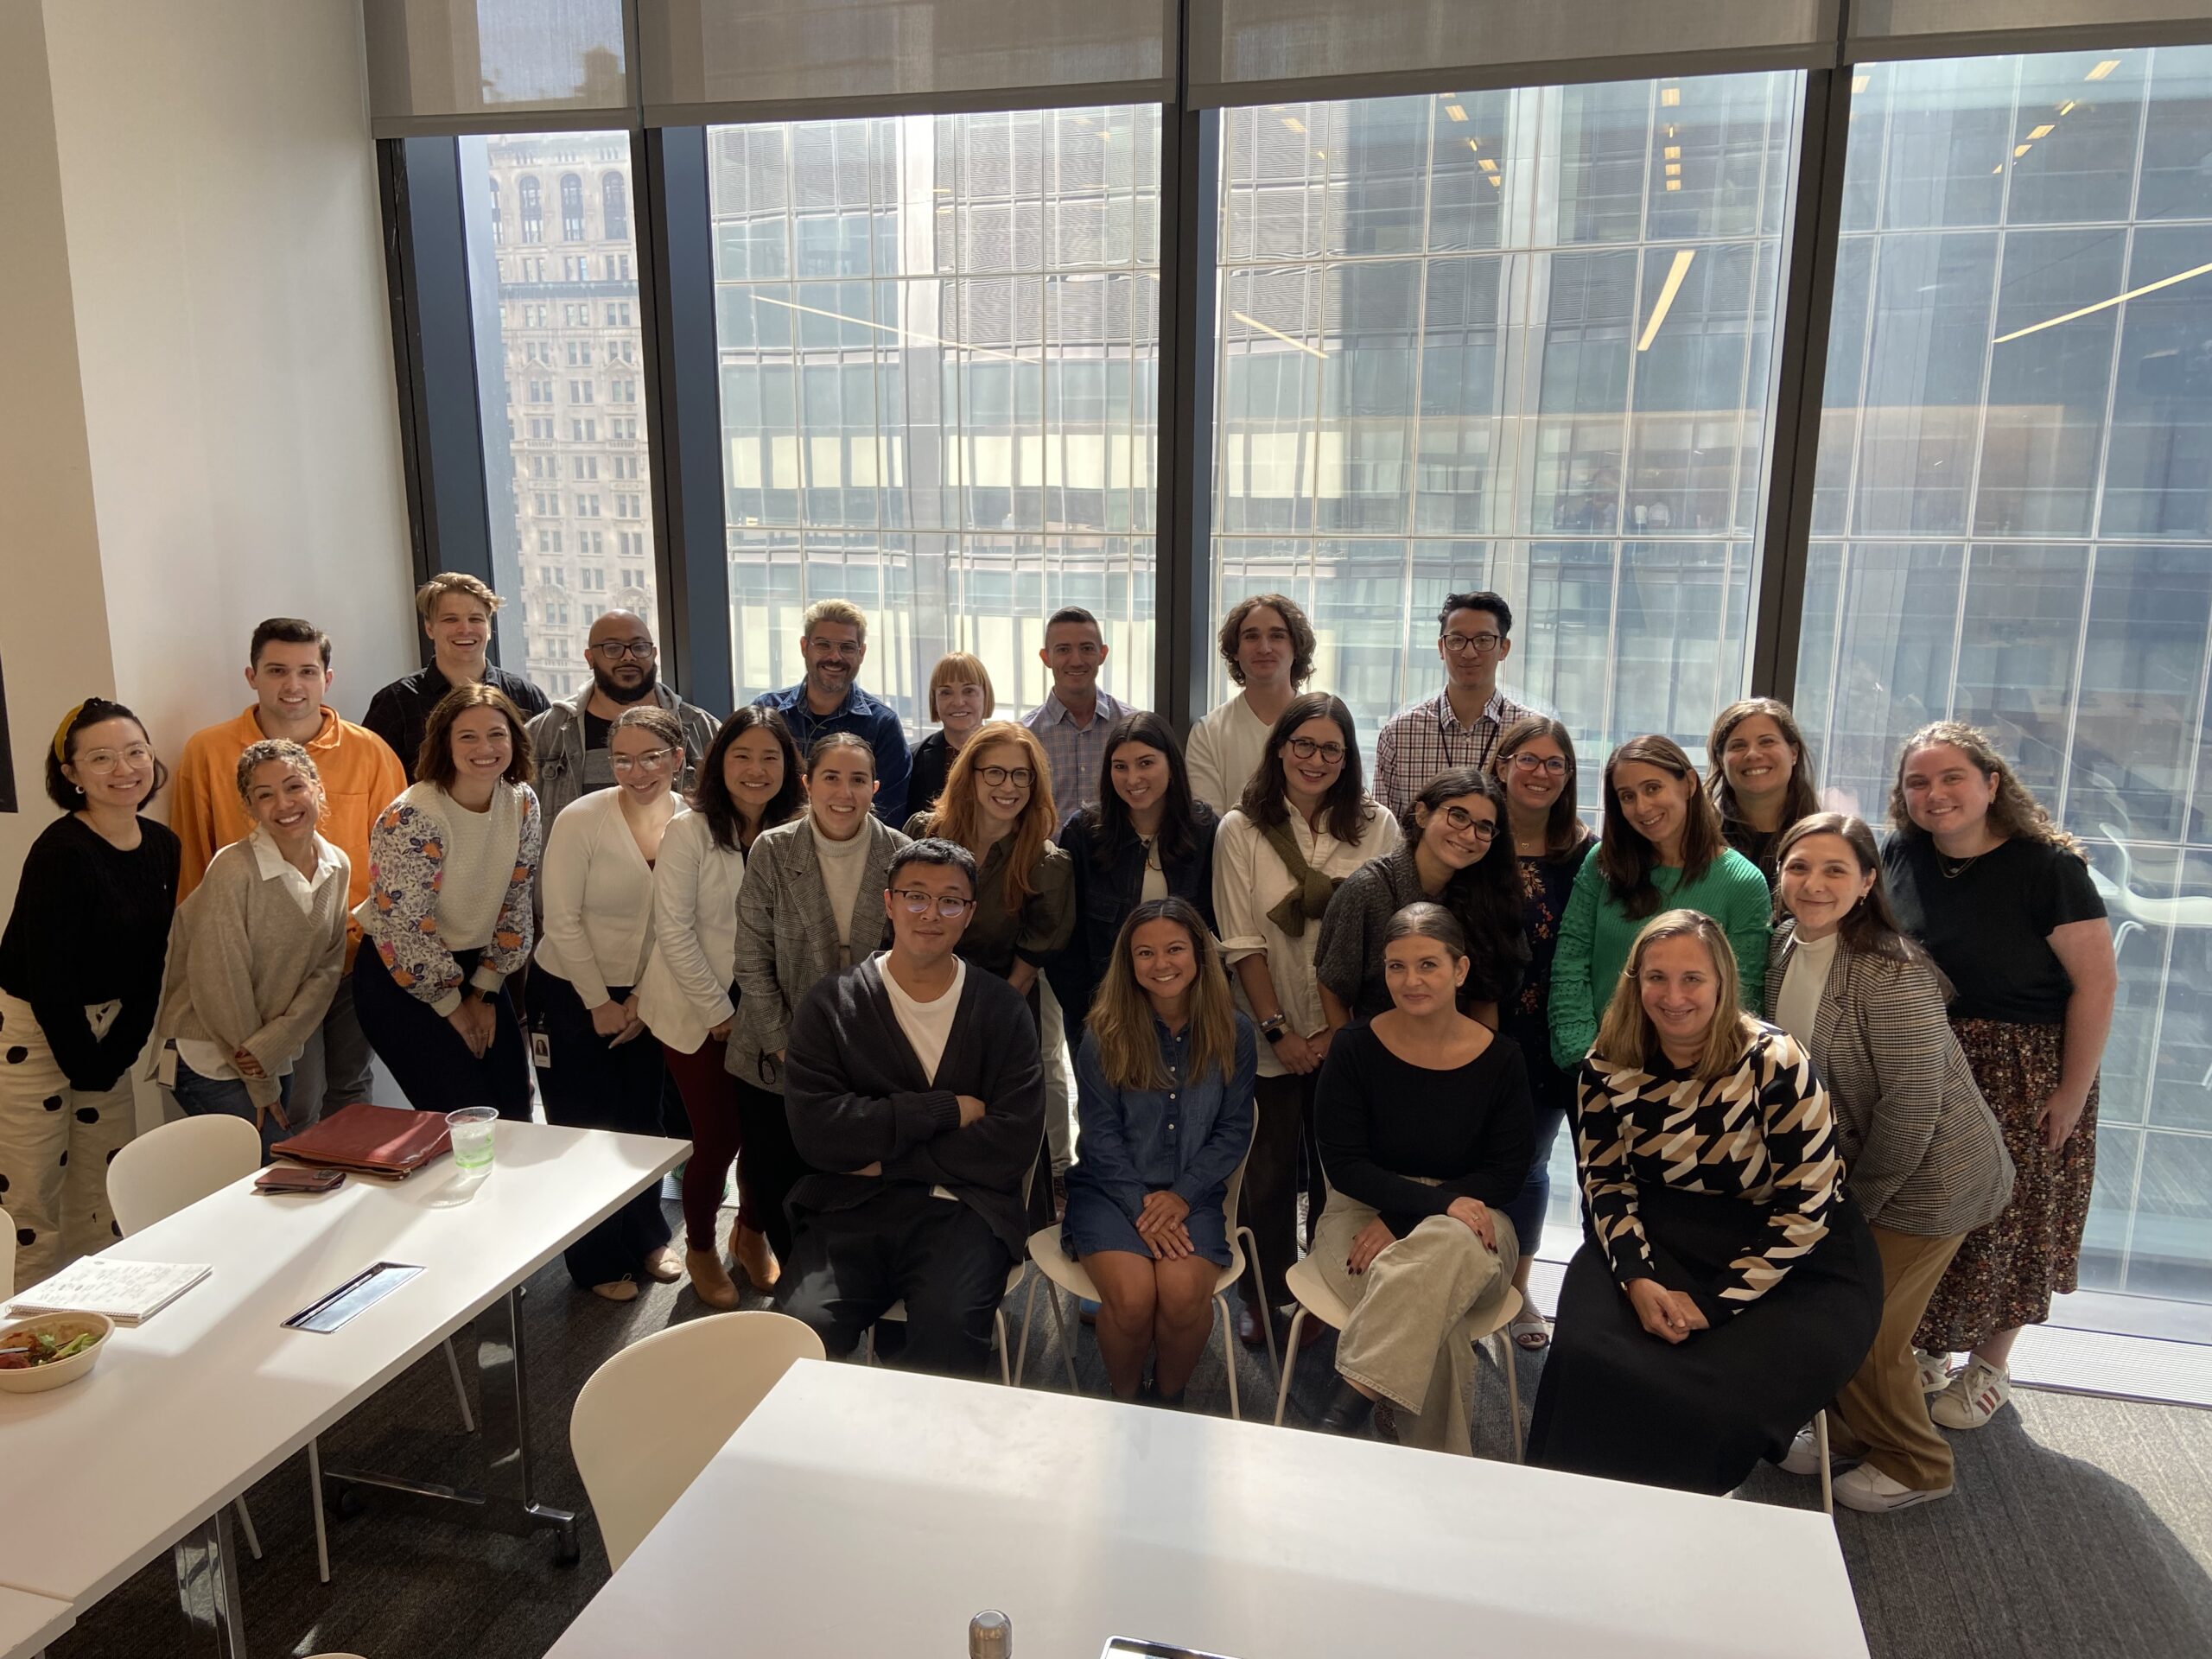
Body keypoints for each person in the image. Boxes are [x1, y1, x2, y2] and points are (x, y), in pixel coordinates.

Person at [1526, 911, 1882, 1496]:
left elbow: (1808, 1208)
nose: (1672, 996)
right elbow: (1606, 1185)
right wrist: (1638, 1280)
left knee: (1713, 1398)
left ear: (1722, 983)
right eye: (1656, 978)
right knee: (1587, 1365)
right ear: (1634, 982)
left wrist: (1713, 1306)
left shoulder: (1779, 1063)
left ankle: (1684, 1531)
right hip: (1655, 1234)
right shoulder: (1604, 1065)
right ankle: (1576, 1522)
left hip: (1793, 1258)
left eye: (1692, 979)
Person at [1767, 813, 2013, 1512]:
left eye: (1836, 870)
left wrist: (1854, 1208)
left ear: (1868, 882)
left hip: (1932, 1181)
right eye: (1799, 867)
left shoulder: (1893, 972)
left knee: (1866, 1329)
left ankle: (1917, 1463)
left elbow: (1913, 1110)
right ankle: (1849, 1431)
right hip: (1854, 1168)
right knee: (1834, 1314)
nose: (1814, 884)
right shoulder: (1781, 947)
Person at [1884, 722, 2115, 1432]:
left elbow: (2097, 986)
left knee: (2012, 1222)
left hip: (2024, 1071)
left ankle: (1991, 1365)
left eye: (1952, 777)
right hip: (1931, 1060)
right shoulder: (1900, 854)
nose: (1935, 794)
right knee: (1930, 1213)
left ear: (1991, 783)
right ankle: (1928, 1348)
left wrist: (2071, 1093)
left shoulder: (2048, 868)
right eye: (1918, 782)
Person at [777, 840, 1046, 1377]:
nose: (931, 913)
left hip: (963, 1212)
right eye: (915, 896)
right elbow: (820, 1137)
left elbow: (1011, 1142)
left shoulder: (1001, 1010)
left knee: (948, 1335)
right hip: (851, 1209)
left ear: (969, 915)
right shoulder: (832, 1005)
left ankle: (927, 1460)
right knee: (795, 1335)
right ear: (889, 903)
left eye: (950, 901)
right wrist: (944, 1111)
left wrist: (887, 1155)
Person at [1214, 693, 1402, 1348]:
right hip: (1267, 1032)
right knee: (1264, 1175)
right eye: (1303, 745)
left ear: (1348, 758)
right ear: (1280, 749)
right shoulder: (1239, 829)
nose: (1316, 759)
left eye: (1331, 748)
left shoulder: (1378, 828)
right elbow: (1241, 941)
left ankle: (1324, 1294)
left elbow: (1385, 941)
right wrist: (1279, 1032)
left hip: (1349, 1035)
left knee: (1338, 1176)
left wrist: (1331, 1034)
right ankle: (1261, 1297)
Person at [1310, 904, 1532, 1453]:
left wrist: (1414, 1213)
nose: (1411, 981)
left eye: (1428, 965)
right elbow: (1344, 1165)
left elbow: (1505, 1176)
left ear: (1460, 970)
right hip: (1362, 1211)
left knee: (1439, 1255)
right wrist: (1418, 1207)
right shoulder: (1354, 1048)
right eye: (1396, 967)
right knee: (1438, 1318)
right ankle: (1438, 1480)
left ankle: (1346, 1407)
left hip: (1478, 1216)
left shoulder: (1502, 1059)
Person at [168, 618, 405, 1124]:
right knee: (297, 1097)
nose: (292, 686)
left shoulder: (371, 752)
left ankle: (349, 1189)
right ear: (252, 676)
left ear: (328, 678)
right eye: (277, 670)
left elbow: (394, 862)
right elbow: (192, 869)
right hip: (264, 974)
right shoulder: (207, 752)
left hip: (350, 956)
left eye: (306, 671)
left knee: (351, 1084)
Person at [0, 700, 180, 1286]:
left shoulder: (160, 843)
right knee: (31, 1191)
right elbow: (48, 973)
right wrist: (87, 1062)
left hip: (109, 1032)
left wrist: (120, 1050)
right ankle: (22, 1338)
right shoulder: (61, 851)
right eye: (100, 758)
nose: (123, 768)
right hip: (34, 1030)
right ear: (71, 774)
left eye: (135, 752)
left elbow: (154, 956)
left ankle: (95, 1313)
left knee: (101, 1187)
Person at [639, 707, 808, 1309]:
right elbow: (674, 932)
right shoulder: (690, 830)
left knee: (773, 1135)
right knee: (719, 1137)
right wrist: (721, 1014)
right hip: (696, 1006)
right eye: (742, 756)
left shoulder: (800, 829)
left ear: (789, 767)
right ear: (720, 763)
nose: (756, 769)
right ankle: (703, 1248)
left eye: (770, 757)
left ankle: (751, 1232)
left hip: (772, 1004)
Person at [1060, 899, 1255, 1403]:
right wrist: (1143, 1205)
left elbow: (1233, 1130)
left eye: (1174, 949)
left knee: (1183, 1294)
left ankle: (1168, 1401)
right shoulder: (1103, 1033)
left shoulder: (1235, 1032)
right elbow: (1098, 1136)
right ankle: (1126, 1402)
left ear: (1199, 955)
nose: (1161, 963)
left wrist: (1183, 1196)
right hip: (1110, 1192)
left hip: (1193, 1194)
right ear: (1128, 962)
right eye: (1144, 953)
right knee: (1130, 1298)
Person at [531, 706, 688, 1301]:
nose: (637, 770)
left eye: (651, 756)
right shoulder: (582, 819)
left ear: (677, 757)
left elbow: (676, 922)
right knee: (584, 1129)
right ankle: (594, 1258)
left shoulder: (690, 821)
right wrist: (598, 1002)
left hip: (648, 993)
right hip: (570, 991)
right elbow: (561, 919)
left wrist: (644, 1000)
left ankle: (647, 1234)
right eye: (623, 758)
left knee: (642, 1123)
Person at [905, 721, 1073, 1211]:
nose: (1008, 787)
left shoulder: (1045, 863)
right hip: (920, 999)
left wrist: (979, 1017)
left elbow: (1034, 956)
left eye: (1022, 777)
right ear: (970, 775)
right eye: (995, 772)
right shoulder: (922, 832)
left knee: (996, 1121)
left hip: (1002, 1004)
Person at [154, 741, 350, 1160]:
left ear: (317, 788)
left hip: (268, 1053)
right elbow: (221, 980)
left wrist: (276, 1043)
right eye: (265, 795)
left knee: (285, 1172)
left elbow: (326, 970)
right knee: (261, 1172)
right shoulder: (233, 868)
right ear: (250, 807)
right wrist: (261, 1077)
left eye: (294, 786)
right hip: (208, 1051)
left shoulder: (337, 865)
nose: (284, 803)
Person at [353, 684, 541, 1120]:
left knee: (514, 1109)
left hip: (477, 968)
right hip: (400, 973)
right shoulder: (414, 814)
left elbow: (516, 901)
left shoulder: (522, 802)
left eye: (497, 734)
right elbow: (405, 927)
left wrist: (485, 991)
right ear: (445, 743)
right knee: (465, 1117)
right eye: (468, 737)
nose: (485, 748)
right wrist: (453, 1007)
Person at [1547, 734, 1770, 1072]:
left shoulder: (1743, 882)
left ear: (1689, 783)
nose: (1642, 807)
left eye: (1653, 788)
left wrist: (1689, 1070)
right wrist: (1582, 1055)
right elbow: (1571, 961)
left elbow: (1742, 996)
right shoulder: (1602, 863)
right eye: (1627, 796)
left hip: (1697, 1077)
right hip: (1597, 1063)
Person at [728, 733, 911, 1133]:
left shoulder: (902, 855)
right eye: (831, 777)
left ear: (874, 788)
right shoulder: (772, 850)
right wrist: (785, 1048)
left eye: (859, 780)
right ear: (807, 783)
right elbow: (752, 960)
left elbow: (909, 962)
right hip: (774, 1057)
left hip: (869, 1058)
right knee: (770, 1184)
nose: (844, 792)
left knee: (857, 1183)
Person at [1490, 716, 1594, 1352]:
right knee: (1479, 1162)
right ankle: (1473, 1280)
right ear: (1502, 764)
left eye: (1556, 763)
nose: (1541, 773)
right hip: (1475, 1031)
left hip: (1558, 1033)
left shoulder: (1589, 853)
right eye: (1529, 759)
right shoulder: (1474, 834)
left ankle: (1519, 1288)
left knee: (1532, 1165)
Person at [1314, 766, 1526, 1032]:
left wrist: (1481, 1066)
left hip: (1460, 1053)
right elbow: (1332, 985)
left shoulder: (1488, 895)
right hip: (1380, 1050)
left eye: (1484, 827)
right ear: (1423, 814)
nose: (1469, 835)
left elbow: (1487, 996)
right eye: (1458, 816)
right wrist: (1348, 1054)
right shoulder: (1368, 889)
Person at [1047, 711, 1219, 1039]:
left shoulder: (1206, 832)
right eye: (1120, 766)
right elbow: (1064, 940)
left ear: (1171, 767)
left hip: (1189, 1012)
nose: (1132, 779)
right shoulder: (1084, 833)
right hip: (1103, 1014)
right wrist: (1092, 1014)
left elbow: (1218, 929)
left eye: (1146, 763)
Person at [524, 609, 718, 827]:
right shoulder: (542, 734)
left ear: (654, 654)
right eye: (613, 648)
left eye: (639, 647)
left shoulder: (703, 730)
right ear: (590, 658)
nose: (628, 656)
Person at [364, 573, 549, 783]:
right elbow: (372, 783)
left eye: (475, 619)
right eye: (451, 619)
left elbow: (549, 777)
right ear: (430, 628)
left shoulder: (525, 697)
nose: (465, 629)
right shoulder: (394, 703)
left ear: (489, 628)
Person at [1370, 591, 1531, 826]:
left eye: (1483, 640)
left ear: (1504, 648)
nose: (1469, 652)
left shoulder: (1529, 733)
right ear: (1441, 647)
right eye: (1456, 640)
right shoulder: (1399, 733)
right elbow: (1385, 831)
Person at [752, 599, 912, 823]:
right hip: (772, 849)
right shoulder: (768, 712)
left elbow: (888, 817)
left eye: (846, 647)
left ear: (862, 652)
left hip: (854, 855)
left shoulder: (882, 725)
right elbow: (749, 795)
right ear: (804, 647)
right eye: (823, 645)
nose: (835, 657)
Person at [1186, 593, 1314, 815]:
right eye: (1251, 637)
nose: (1264, 648)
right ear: (1235, 651)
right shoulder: (1208, 733)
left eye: (1277, 636)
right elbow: (1209, 826)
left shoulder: (1326, 726)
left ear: (1296, 647)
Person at [1022, 607, 1139, 815]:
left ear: (1102, 654)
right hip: (1045, 848)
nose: (1076, 660)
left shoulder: (1132, 725)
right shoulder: (1024, 736)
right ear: (1045, 657)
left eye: (1086, 648)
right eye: (1063, 650)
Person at [1707, 697, 1820, 887]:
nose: (1752, 754)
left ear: (1793, 752)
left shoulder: (1826, 839)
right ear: (1720, 760)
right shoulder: (1698, 838)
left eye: (1767, 742)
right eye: (1738, 746)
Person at [909, 652, 993, 814]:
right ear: (934, 700)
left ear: (986, 695)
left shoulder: (1009, 755)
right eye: (946, 693)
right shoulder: (913, 759)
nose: (958, 702)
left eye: (969, 691)